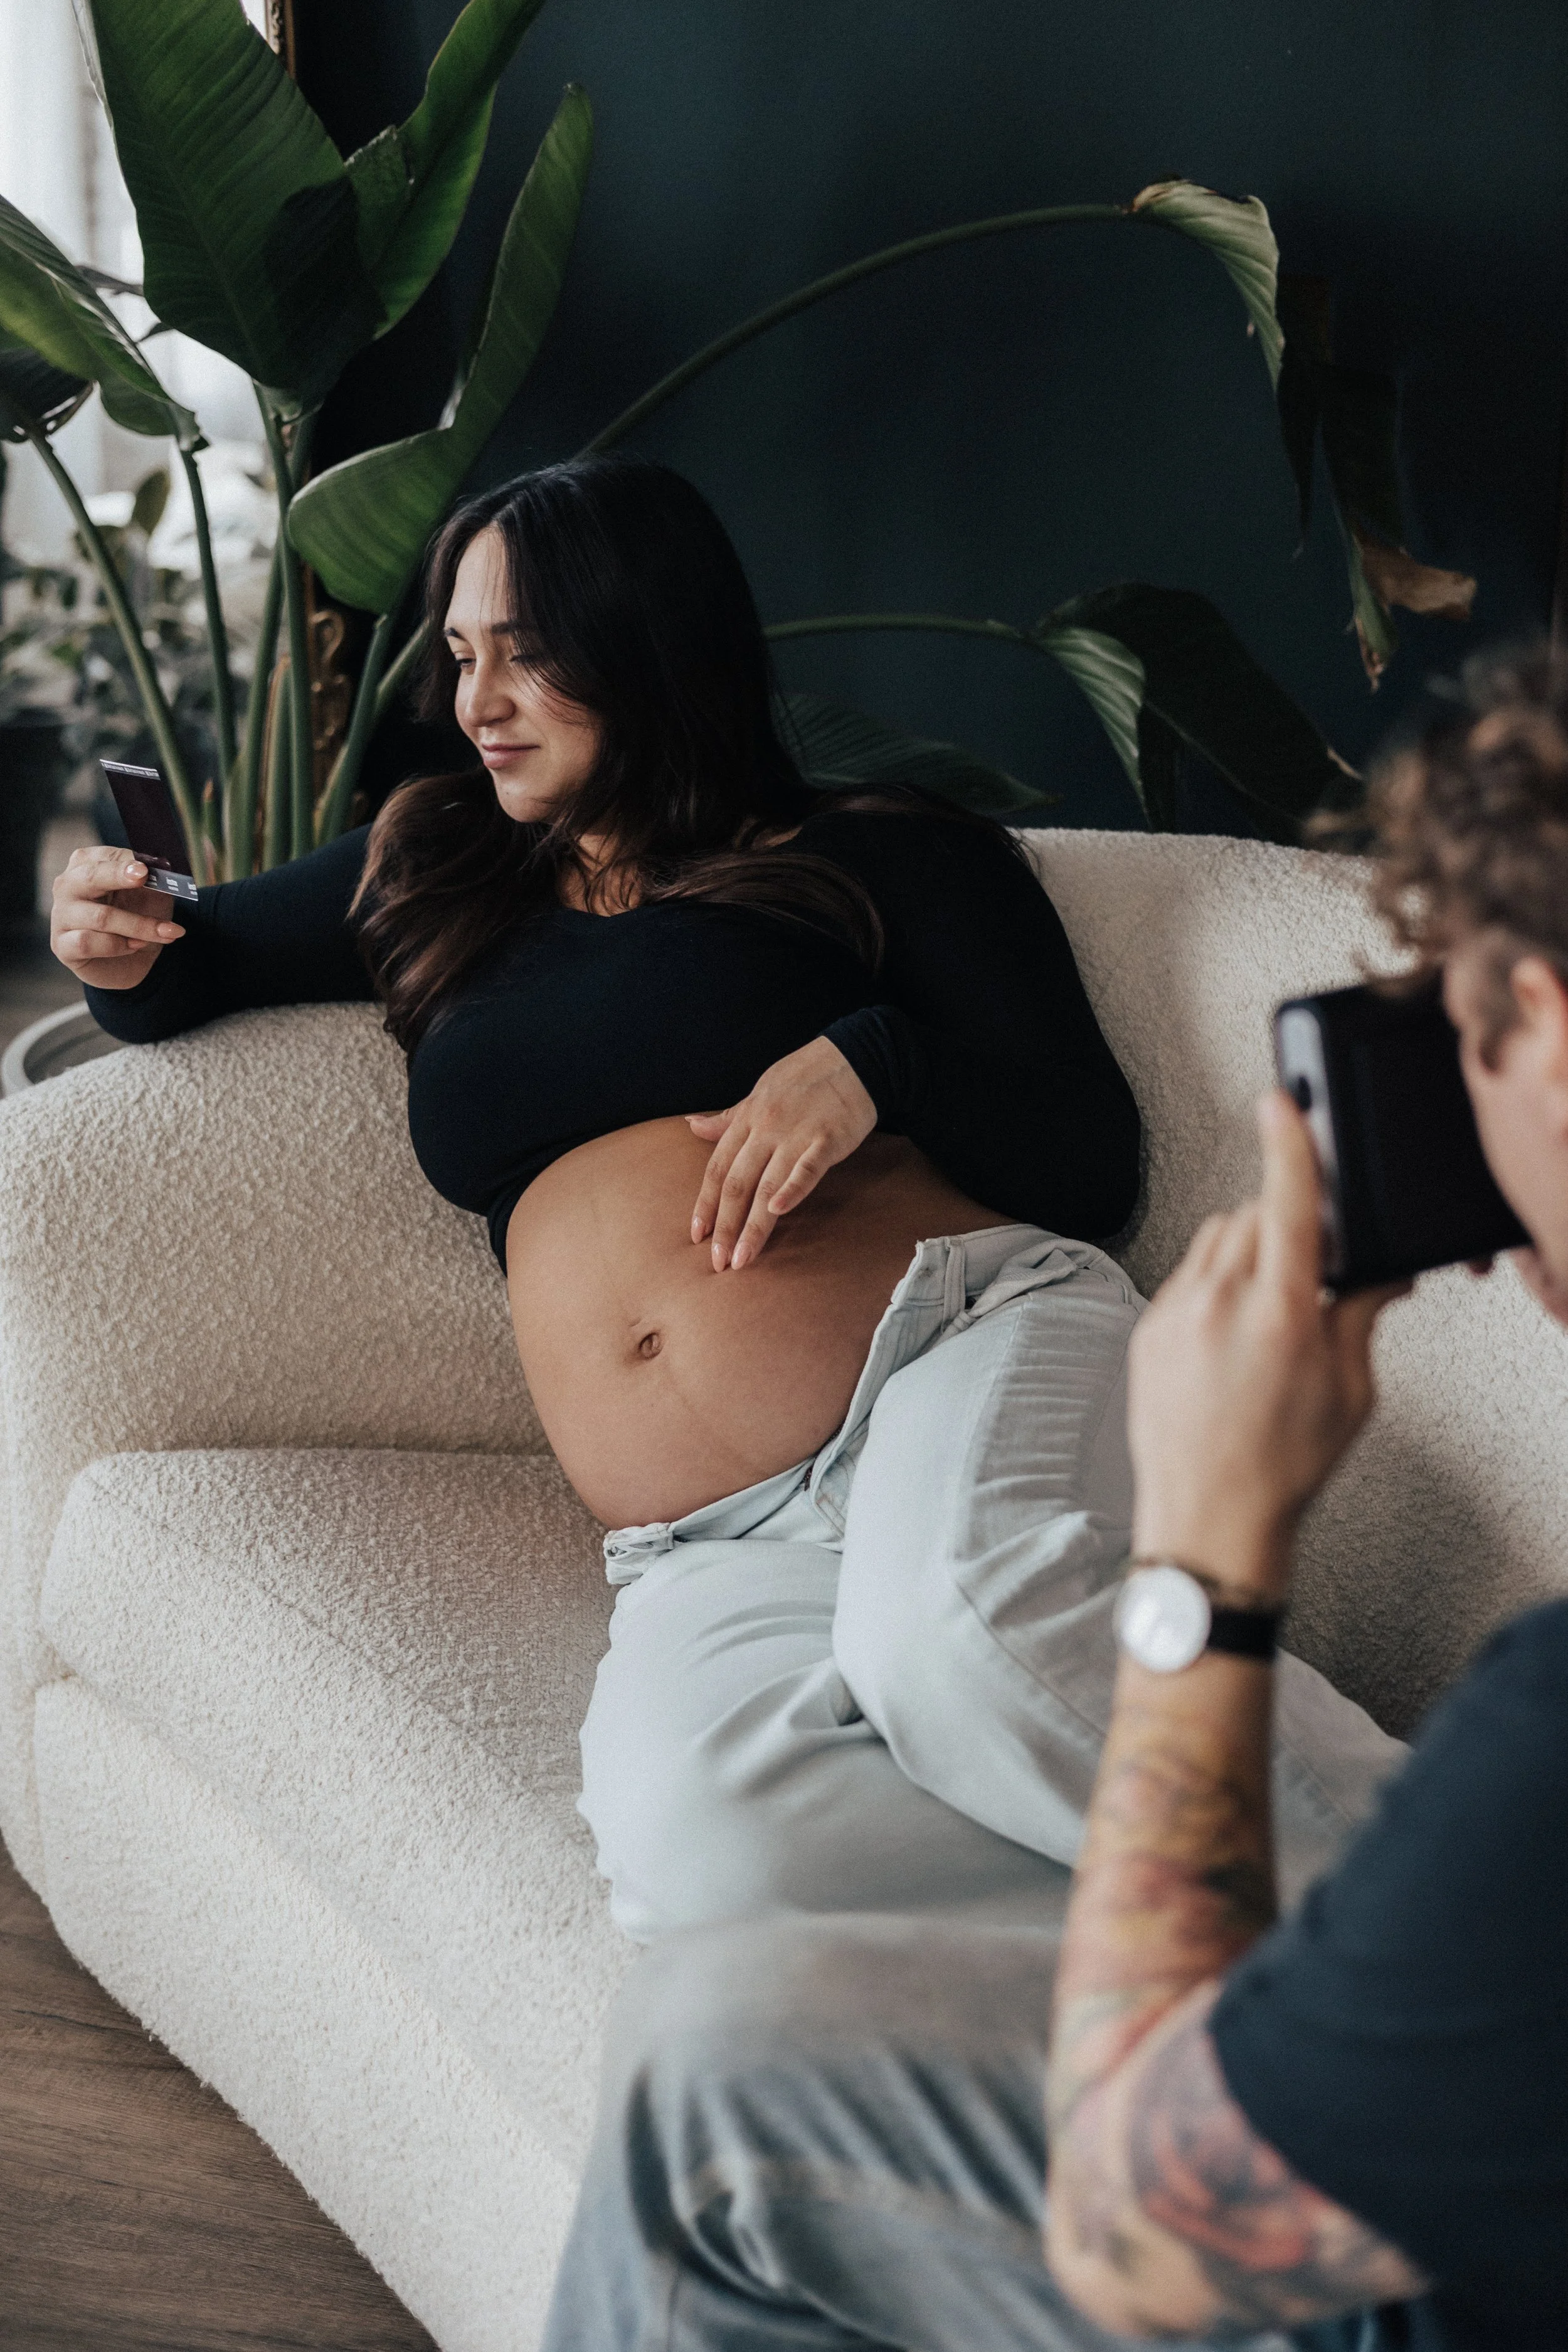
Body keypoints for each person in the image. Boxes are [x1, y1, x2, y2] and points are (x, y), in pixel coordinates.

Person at [51, 453, 1394, 1947]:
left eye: (528, 655)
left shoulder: (882, 849)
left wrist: (873, 1065)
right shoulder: (432, 863)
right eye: (460, 655)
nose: (475, 702)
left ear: (646, 641)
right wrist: (113, 950)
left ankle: (1469, 1911)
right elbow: (189, 962)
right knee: (703, 1867)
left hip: (950, 1349)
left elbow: (1089, 1156)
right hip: (703, 1539)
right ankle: (1204, 1934)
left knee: (959, 1645)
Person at [534, 646, 1568, 2352]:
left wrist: (1206, 1557)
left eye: (1460, 1032)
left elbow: (1155, 2227)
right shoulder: (473, 873)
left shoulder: (1536, 1737)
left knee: (712, 2069)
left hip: (1372, 2271)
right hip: (715, 1543)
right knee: (707, 1894)